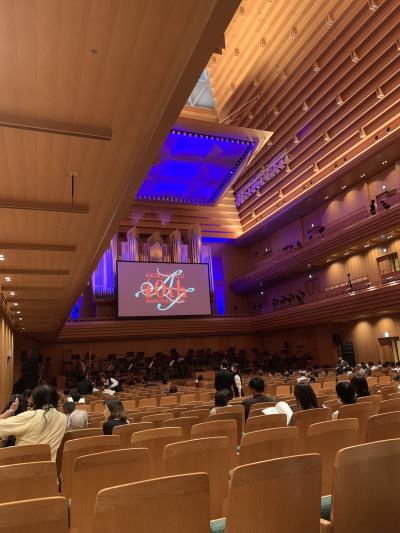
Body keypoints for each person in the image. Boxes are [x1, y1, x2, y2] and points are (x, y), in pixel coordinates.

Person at [0, 385, 67, 461]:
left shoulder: (30, 416)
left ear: (35, 400)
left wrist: (10, 411)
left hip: (22, 465)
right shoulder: (63, 418)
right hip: (48, 466)